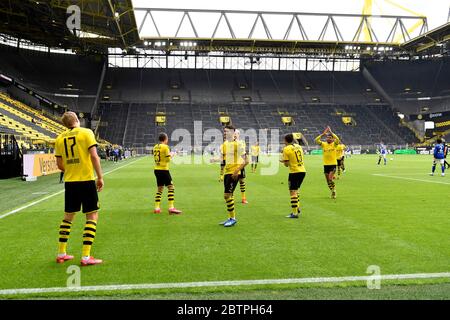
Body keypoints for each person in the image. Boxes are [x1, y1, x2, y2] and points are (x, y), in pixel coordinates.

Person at [54, 111, 104, 266]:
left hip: (70, 182)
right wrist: (100, 177)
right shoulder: (86, 132)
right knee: (92, 216)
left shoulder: (59, 138)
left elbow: (59, 165)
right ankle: (86, 257)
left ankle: (61, 253)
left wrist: (71, 169)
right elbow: (94, 156)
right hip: (86, 180)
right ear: (77, 120)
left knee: (68, 217)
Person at [219, 125, 248, 227]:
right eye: (224, 131)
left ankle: (233, 218)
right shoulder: (225, 144)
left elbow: (246, 160)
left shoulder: (238, 144)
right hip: (227, 172)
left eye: (227, 131)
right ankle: (230, 218)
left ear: (233, 132)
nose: (225, 133)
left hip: (233, 173)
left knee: (227, 195)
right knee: (228, 196)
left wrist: (236, 171)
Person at [153, 133, 182, 214]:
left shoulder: (155, 146)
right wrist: (173, 154)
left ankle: (157, 208)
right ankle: (171, 207)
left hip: (156, 169)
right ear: (165, 139)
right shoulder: (165, 147)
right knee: (171, 187)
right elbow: (168, 160)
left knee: (160, 189)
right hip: (164, 170)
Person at [280, 134, 306, 219]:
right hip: (302, 170)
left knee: (292, 192)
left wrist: (282, 161)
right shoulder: (299, 146)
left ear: (285, 140)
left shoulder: (286, 149)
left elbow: (286, 164)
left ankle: (294, 213)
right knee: (296, 190)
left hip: (294, 172)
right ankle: (297, 207)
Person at [315, 126, 340, 199]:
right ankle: (332, 191)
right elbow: (316, 140)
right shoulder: (323, 144)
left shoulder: (334, 144)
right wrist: (323, 134)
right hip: (326, 165)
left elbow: (337, 139)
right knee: (328, 181)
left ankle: (334, 190)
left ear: (332, 139)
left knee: (330, 178)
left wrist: (331, 132)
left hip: (333, 164)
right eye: (327, 137)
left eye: (330, 137)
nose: (328, 138)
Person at [234, 129, 248, 204]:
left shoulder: (242, 142)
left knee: (242, 181)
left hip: (240, 164)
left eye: (236, 134)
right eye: (234, 134)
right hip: (232, 165)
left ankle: (243, 198)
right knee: (232, 182)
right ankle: (230, 196)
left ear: (239, 134)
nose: (235, 135)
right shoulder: (230, 142)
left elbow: (243, 153)